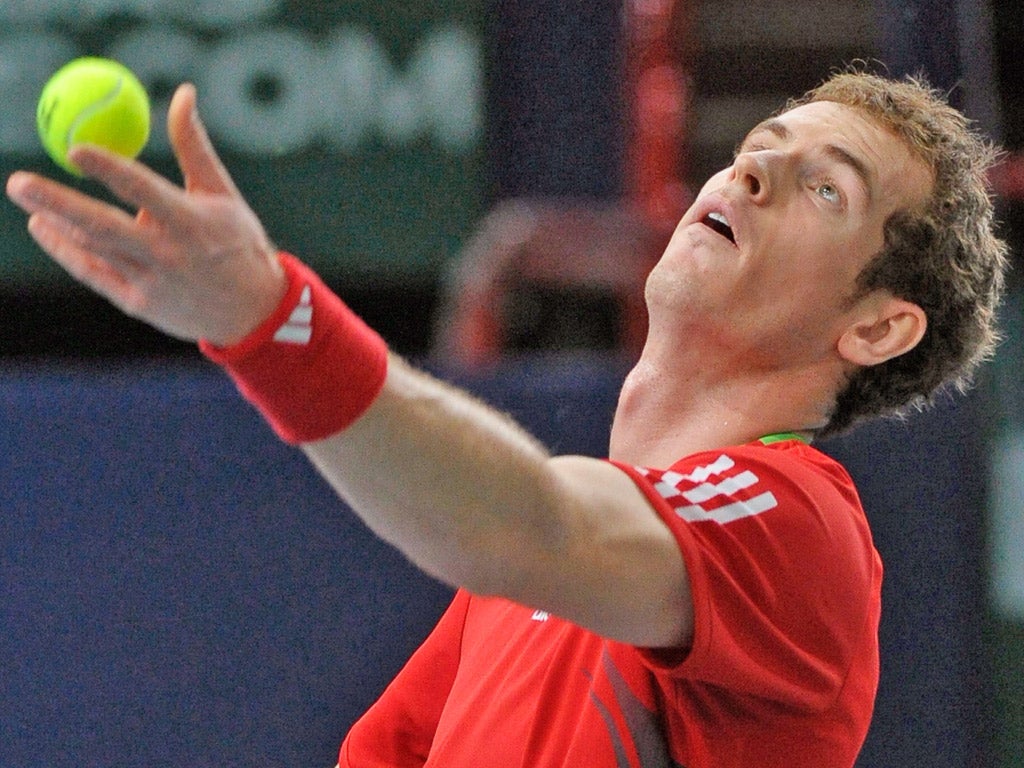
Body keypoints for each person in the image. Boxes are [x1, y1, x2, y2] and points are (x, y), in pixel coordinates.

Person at [6, 68, 1008, 767]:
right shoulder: (525, 581)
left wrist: (267, 319)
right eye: (759, 146)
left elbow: (526, 526)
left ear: (878, 328)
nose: (751, 173)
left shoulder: (801, 528)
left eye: (822, 189)